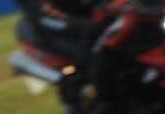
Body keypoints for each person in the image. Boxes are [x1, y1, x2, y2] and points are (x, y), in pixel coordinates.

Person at [16, 0, 165, 90]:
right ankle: (112, 100)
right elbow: (44, 16)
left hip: (97, 15)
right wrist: (86, 27)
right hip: (63, 32)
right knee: (100, 57)